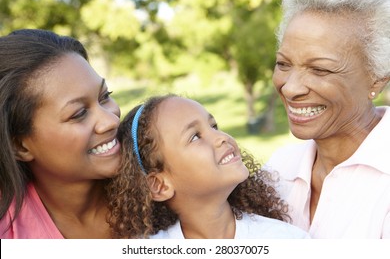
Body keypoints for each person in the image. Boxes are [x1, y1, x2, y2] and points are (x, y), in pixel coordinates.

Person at [266, 0, 390, 238]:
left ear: (377, 78)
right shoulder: (277, 170)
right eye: (284, 64)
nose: (290, 88)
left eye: (320, 69)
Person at [106, 94, 309, 239]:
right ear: (160, 185)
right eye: (195, 136)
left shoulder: (285, 241)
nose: (221, 138)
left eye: (213, 126)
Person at [0, 29, 121, 238]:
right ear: (19, 146)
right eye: (79, 113)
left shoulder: (166, 184)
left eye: (105, 97)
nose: (111, 121)